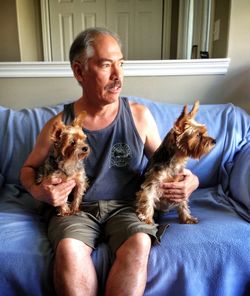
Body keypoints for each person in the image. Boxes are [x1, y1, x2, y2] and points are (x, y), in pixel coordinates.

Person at [20, 27, 199, 296]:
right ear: (80, 72)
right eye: (106, 65)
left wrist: (192, 180)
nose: (118, 76)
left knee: (140, 242)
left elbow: (166, 163)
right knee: (69, 249)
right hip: (77, 211)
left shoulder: (139, 116)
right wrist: (38, 190)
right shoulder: (59, 125)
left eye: (121, 64)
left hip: (128, 208)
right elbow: (28, 169)